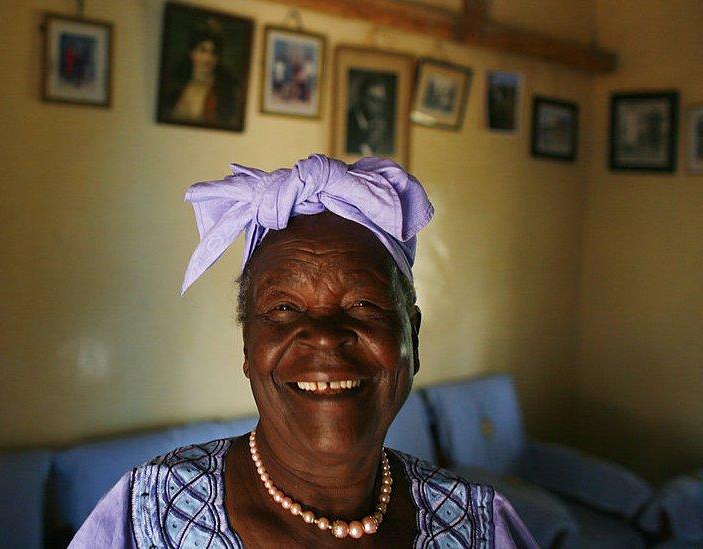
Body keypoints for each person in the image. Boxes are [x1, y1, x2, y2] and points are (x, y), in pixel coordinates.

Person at [69, 154, 538, 547]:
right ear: (249, 348)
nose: (325, 335)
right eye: (284, 308)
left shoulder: (481, 527)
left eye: (363, 304)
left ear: (411, 338)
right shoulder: (146, 518)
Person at [161, 18, 242, 128]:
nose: (207, 58)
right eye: (202, 50)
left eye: (213, 52)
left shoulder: (226, 91)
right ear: (191, 52)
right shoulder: (174, 84)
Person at [346, 74, 394, 156]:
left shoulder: (382, 125)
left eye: (381, 101)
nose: (378, 107)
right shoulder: (348, 122)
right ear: (362, 98)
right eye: (374, 100)